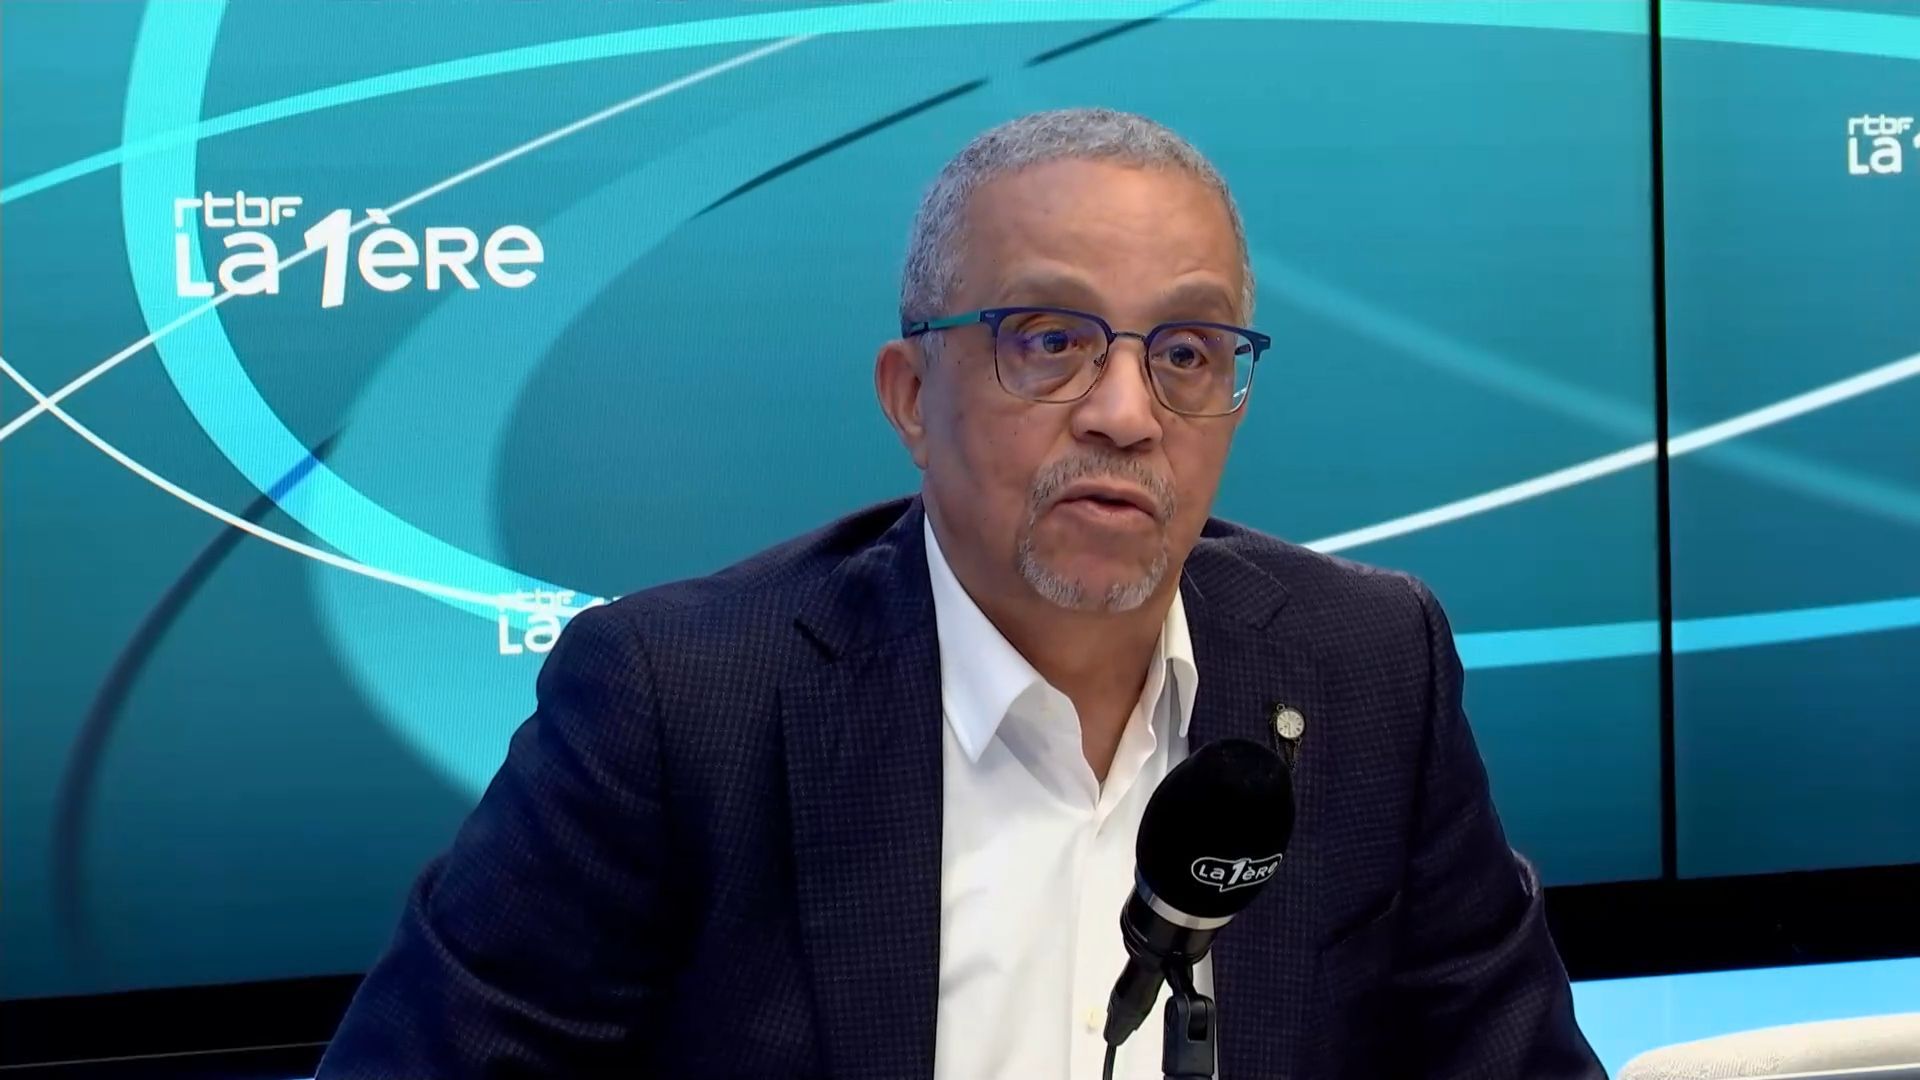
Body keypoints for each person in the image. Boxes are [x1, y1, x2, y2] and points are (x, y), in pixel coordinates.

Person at [317, 107, 1604, 1079]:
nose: (1126, 413)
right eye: (1050, 341)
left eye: (1186, 353)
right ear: (910, 399)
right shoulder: (678, 707)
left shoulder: (1366, 668)